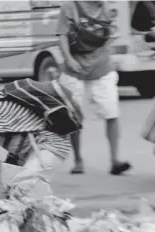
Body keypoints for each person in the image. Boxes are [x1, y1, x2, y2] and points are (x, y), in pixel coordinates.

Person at [57, 1, 132, 175]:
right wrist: (69, 59)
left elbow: (112, 34)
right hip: (75, 69)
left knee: (112, 113)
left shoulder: (108, 8)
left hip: (102, 68)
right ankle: (78, 160)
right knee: (74, 117)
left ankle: (115, 160)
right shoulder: (70, 8)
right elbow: (61, 36)